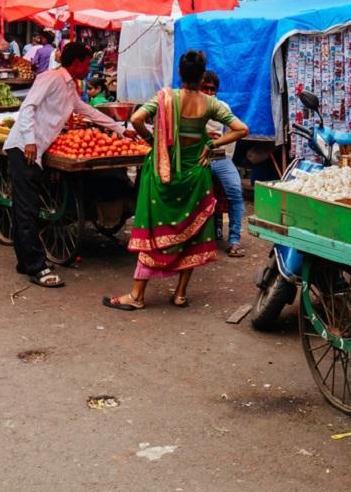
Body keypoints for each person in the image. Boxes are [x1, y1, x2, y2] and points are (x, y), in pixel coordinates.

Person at [104, 51, 250, 311]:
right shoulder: (211, 103)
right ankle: (180, 294)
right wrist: (212, 144)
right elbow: (242, 129)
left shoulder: (166, 98)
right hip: (196, 175)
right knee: (191, 234)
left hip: (164, 172)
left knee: (153, 232)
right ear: (202, 75)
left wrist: (153, 142)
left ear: (180, 73)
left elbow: (136, 119)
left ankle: (137, 295)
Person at [2, 42, 126, 287]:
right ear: (76, 62)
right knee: (28, 209)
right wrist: (29, 141)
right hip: (24, 149)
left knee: (24, 207)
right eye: (87, 63)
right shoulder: (51, 77)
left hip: (36, 149)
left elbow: (85, 110)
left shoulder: (70, 86)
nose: (89, 68)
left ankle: (25, 261)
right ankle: (37, 267)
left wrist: (120, 129)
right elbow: (28, 107)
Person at [201, 71, 245, 257]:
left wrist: (222, 148)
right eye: (205, 88)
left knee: (235, 190)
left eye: (212, 89)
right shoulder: (190, 106)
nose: (209, 92)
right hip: (196, 157)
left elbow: (234, 133)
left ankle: (234, 239)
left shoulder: (222, 107)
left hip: (218, 156)